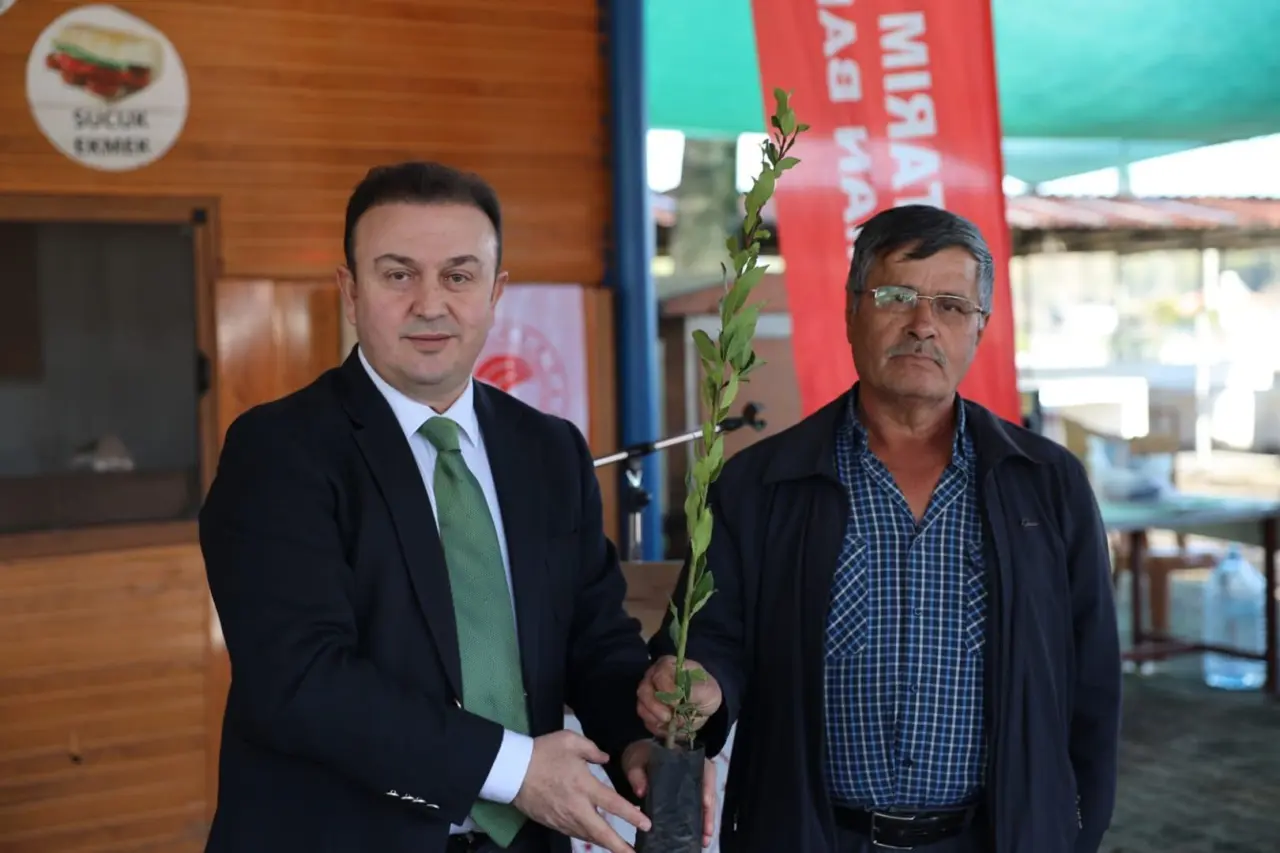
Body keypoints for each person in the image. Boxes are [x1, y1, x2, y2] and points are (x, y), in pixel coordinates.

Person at [201, 161, 701, 853]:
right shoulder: (278, 450)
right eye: (398, 274)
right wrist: (516, 770)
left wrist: (636, 740)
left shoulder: (549, 449)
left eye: (459, 276)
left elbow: (594, 638)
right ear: (351, 291)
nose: (430, 304)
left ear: (496, 292)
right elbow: (302, 679)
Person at [638, 205, 1122, 853]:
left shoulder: (1045, 484)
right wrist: (702, 686)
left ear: (979, 328)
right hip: (813, 835)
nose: (923, 324)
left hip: (994, 836)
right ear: (851, 311)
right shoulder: (762, 485)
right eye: (897, 297)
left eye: (952, 306)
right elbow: (712, 640)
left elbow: (1093, 683)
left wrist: (1075, 831)